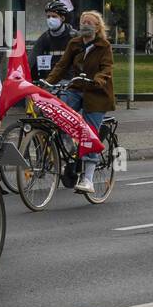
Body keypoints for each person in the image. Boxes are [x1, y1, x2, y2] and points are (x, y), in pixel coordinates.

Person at [45, 10, 116, 194]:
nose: (85, 25)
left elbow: (107, 68)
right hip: (77, 88)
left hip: (97, 92)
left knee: (89, 132)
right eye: (83, 21)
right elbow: (62, 65)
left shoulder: (104, 46)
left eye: (90, 23)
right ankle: (69, 148)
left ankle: (88, 179)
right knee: (59, 113)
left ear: (97, 27)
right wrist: (48, 83)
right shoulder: (74, 43)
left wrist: (98, 80)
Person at [32, 0, 76, 81]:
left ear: (62, 18)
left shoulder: (74, 37)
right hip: (49, 81)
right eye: (48, 17)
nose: (50, 19)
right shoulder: (45, 38)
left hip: (71, 83)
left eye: (54, 16)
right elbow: (32, 58)